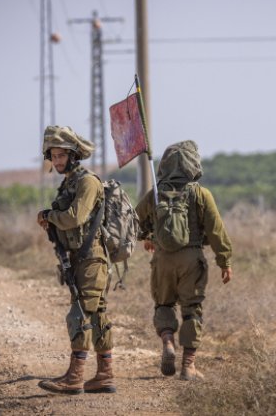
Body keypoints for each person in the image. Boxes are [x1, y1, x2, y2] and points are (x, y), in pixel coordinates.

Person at [135, 140, 233, 381]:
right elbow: (217, 231)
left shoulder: (155, 194)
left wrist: (149, 237)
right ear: (193, 164)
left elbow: (135, 223)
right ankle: (188, 366)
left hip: (162, 259)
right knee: (192, 311)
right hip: (191, 259)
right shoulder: (201, 194)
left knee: (164, 305)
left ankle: (167, 341)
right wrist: (225, 261)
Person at [36, 125, 116, 395]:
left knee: (80, 314)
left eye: (61, 155)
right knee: (97, 315)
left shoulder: (87, 182)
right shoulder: (69, 182)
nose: (57, 161)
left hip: (91, 258)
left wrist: (49, 216)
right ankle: (105, 375)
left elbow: (75, 217)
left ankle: (74, 378)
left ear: (74, 154)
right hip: (79, 258)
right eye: (53, 156)